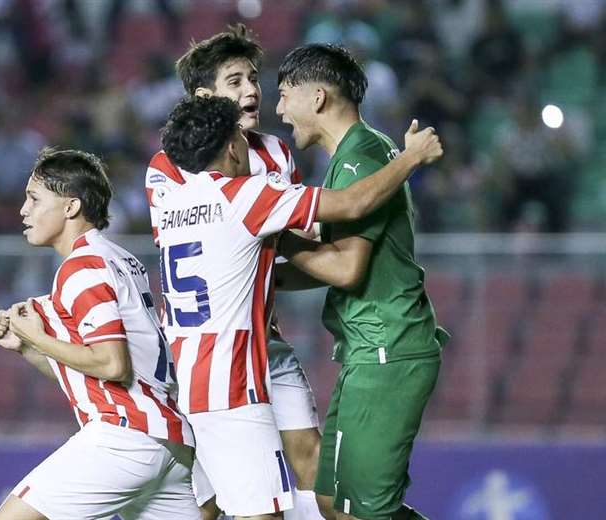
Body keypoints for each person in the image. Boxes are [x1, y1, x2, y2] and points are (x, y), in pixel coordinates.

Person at [155, 95, 441, 520]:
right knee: (262, 515)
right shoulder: (244, 196)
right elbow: (352, 204)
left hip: (191, 381)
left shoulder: (172, 206)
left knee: (223, 508)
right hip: (235, 385)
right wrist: (411, 158)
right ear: (232, 147)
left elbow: (253, 274)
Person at [144, 25, 323, 520]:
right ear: (206, 97)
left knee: (311, 455)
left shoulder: (278, 152)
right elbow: (216, 239)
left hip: (266, 337)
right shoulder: (168, 165)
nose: (250, 91)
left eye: (253, 78)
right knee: (219, 495)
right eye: (234, 81)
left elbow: (292, 240)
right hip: (208, 350)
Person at [274, 43, 449, 520]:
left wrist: (275, 236)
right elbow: (342, 262)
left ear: (317, 98)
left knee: (363, 512)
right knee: (332, 503)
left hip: (387, 349)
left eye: (285, 94)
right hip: (369, 349)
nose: (278, 109)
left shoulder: (361, 161)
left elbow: (346, 268)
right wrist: (270, 279)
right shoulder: (360, 155)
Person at [0, 148, 199, 520]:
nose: (23, 210)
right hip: (169, 443)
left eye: (34, 198)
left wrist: (36, 335)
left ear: (71, 207)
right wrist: (28, 348)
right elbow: (91, 374)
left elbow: (113, 364)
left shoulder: (82, 266)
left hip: (125, 438)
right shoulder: (117, 258)